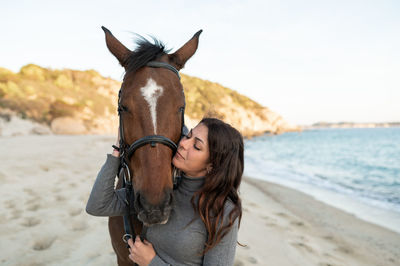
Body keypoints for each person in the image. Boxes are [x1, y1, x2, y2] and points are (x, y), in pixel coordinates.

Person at [86, 118, 244, 266]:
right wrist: (117, 150)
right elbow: (97, 205)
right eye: (188, 136)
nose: (183, 144)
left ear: (212, 165)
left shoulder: (223, 211)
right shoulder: (163, 187)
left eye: (196, 146)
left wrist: (151, 262)